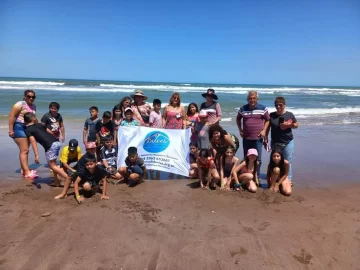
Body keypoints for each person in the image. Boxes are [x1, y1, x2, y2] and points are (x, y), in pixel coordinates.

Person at [23, 112, 71, 186]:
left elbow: (33, 142)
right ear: (33, 119)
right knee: (53, 164)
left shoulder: (28, 130)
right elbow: (51, 132)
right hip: (56, 142)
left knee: (52, 166)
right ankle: (57, 181)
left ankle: (68, 178)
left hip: (50, 145)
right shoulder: (40, 125)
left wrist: (36, 155)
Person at [236, 90, 270, 181]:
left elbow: (268, 120)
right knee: (246, 157)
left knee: (258, 159)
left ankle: (256, 177)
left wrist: (264, 131)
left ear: (257, 99)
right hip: (246, 137)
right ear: (247, 99)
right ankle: (246, 174)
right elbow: (238, 119)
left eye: (254, 98)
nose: (252, 100)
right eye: (250, 98)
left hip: (258, 138)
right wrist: (240, 130)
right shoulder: (242, 108)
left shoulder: (263, 108)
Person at [266, 97, 298, 183]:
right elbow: (267, 127)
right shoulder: (272, 115)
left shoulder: (289, 114)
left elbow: (296, 125)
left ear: (284, 105)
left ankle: (288, 179)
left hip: (288, 142)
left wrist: (288, 125)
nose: (278, 107)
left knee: (287, 161)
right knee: (274, 160)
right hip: (275, 142)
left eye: (280, 105)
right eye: (276, 105)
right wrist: (265, 138)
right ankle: (273, 177)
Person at [8, 89, 38, 179]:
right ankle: (27, 172)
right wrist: (11, 130)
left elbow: (33, 119)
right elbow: (11, 116)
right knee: (25, 150)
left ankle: (24, 169)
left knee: (25, 150)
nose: (31, 98)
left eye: (33, 97)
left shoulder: (34, 106)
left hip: (28, 128)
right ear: (25, 97)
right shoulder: (20, 104)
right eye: (29, 96)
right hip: (18, 127)